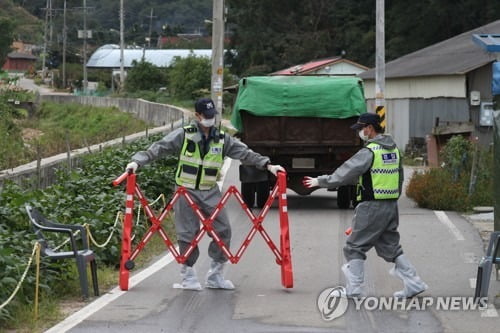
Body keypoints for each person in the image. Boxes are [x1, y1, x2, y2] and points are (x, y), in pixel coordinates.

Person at [126, 98, 284, 291]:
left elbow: (244, 153)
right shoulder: (184, 135)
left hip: (210, 191)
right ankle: (188, 276)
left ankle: (215, 275)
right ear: (197, 116)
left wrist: (268, 165)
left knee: (223, 230)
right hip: (185, 190)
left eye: (212, 116)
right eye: (206, 116)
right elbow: (159, 147)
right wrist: (137, 162)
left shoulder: (222, 138)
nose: (210, 120)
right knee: (187, 233)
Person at [303, 113, 427, 298]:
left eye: (361, 129)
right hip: (390, 206)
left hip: (371, 206)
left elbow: (346, 171)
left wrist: (320, 182)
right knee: (391, 247)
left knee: (354, 247)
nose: (360, 132)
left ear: (370, 128)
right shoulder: (394, 150)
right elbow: (399, 178)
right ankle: (414, 283)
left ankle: (354, 289)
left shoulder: (369, 151)